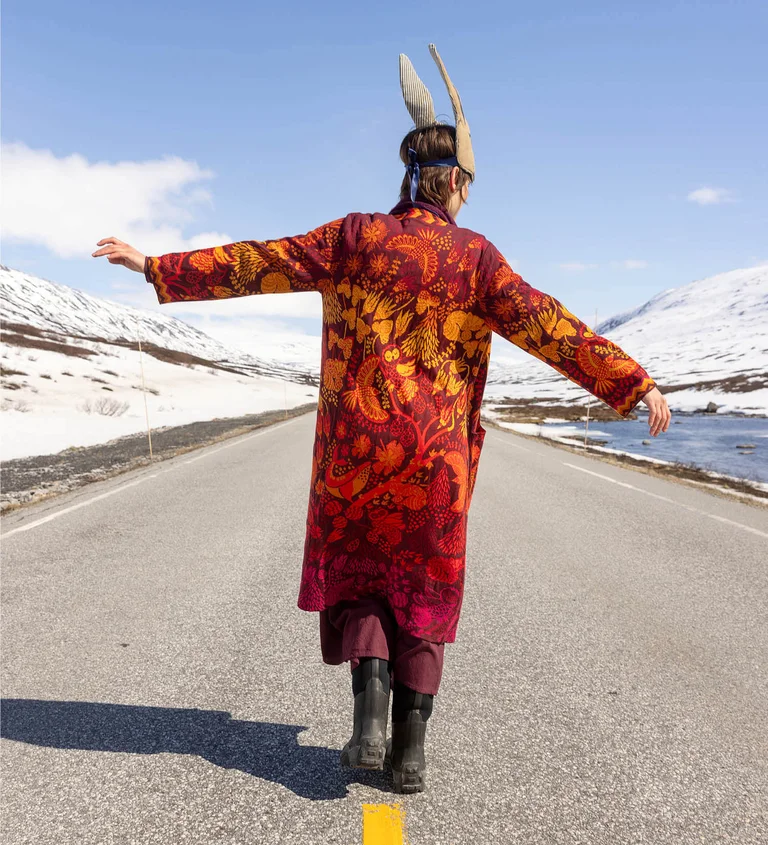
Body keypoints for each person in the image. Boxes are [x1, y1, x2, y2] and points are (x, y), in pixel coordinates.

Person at [93, 44, 670, 795]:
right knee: (423, 593)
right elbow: (551, 325)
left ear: (410, 179)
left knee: (364, 582)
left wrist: (156, 266)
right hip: (437, 465)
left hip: (353, 456)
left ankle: (367, 718)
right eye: (470, 186)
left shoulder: (352, 237)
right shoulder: (478, 260)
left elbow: (257, 260)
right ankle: (409, 752)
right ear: (456, 182)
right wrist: (633, 384)